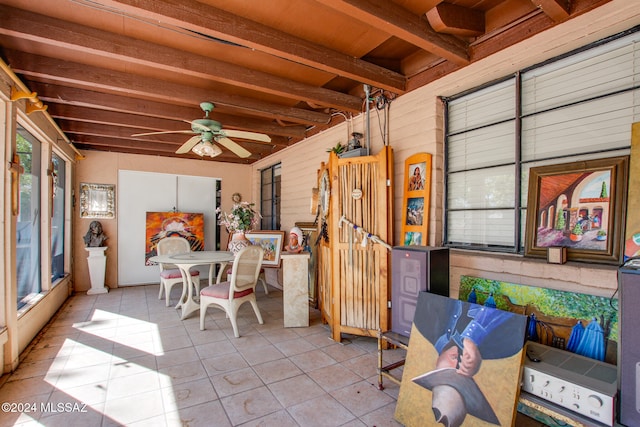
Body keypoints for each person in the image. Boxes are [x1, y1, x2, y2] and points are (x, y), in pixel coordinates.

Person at [411, 294, 526, 427]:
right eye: (462, 375)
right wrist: (474, 337)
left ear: (436, 367)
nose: (457, 364)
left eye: (448, 373)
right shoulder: (504, 347)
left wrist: (471, 337)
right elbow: (515, 317)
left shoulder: (423, 322)